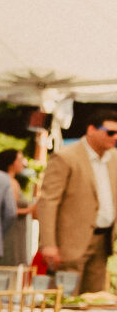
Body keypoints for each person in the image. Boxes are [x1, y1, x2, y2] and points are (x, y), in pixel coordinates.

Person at [34, 111, 117, 293]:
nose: (115, 137)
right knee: (66, 302)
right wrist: (48, 243)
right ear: (91, 129)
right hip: (70, 244)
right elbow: (48, 201)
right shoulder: (66, 157)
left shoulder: (114, 158)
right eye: (110, 132)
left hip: (103, 241)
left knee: (96, 303)